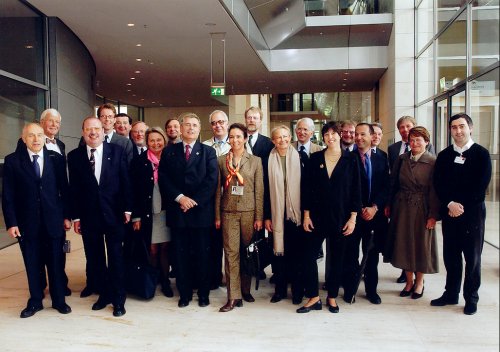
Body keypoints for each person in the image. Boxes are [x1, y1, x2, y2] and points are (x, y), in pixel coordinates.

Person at [2, 123, 72, 318]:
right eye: (31, 135)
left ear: (44, 137)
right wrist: (12, 223)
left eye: (39, 135)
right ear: (24, 138)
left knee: (56, 263)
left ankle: (59, 300)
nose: (36, 139)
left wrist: (67, 216)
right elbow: (8, 195)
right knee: (32, 263)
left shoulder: (56, 159)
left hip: (54, 221)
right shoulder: (12, 161)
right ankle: (35, 301)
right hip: (27, 223)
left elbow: (64, 190)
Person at [68, 117, 132, 317]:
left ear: (103, 131)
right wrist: (76, 217)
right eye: (89, 129)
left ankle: (118, 299)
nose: (93, 132)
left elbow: (125, 182)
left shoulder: (117, 151)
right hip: (89, 217)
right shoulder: (74, 156)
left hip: (114, 215)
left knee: (116, 258)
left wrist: (128, 209)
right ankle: (104, 295)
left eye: (96, 128)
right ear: (83, 132)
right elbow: (74, 189)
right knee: (95, 259)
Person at [432, 113, 492, 315]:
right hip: (450, 213)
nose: (458, 131)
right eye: (454, 127)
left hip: (472, 215)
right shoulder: (444, 155)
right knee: (451, 256)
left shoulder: (482, 154)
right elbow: (438, 183)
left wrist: (460, 206)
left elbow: (481, 185)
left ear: (470, 128)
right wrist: (450, 204)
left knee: (472, 259)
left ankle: (471, 298)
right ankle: (450, 294)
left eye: (462, 126)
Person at [298, 121, 361, 314]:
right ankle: (313, 297)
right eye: (327, 134)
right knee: (308, 256)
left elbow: (356, 190)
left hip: (341, 218)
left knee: (337, 259)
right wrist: (306, 215)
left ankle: (332, 296)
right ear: (323, 137)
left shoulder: (351, 159)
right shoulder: (315, 157)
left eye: (334, 134)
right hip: (316, 217)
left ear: (340, 135)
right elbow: (306, 189)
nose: (331, 137)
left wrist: (353, 218)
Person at [158, 112, 218, 308]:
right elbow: (164, 179)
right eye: (187, 125)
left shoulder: (208, 152)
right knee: (180, 255)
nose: (190, 128)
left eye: (194, 125)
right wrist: (180, 198)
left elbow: (211, 181)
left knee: (202, 255)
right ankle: (184, 294)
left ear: (199, 129)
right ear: (181, 128)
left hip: (201, 213)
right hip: (178, 211)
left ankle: (203, 293)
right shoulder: (169, 151)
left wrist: (193, 201)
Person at [385, 126, 440, 300]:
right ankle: (408, 281)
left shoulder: (432, 161)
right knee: (404, 244)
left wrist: (433, 215)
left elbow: (435, 191)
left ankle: (419, 283)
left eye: (419, 140)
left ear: (426, 142)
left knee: (421, 246)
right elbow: (393, 184)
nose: (414, 143)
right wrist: (389, 204)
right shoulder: (402, 159)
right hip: (402, 206)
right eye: (412, 139)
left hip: (423, 207)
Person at [215, 123, 264, 312]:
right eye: (232, 136)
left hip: (249, 213)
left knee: (247, 253)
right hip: (228, 213)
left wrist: (259, 216)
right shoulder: (221, 161)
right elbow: (217, 191)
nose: (234, 140)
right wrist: (217, 215)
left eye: (238, 136)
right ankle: (233, 297)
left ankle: (245, 289)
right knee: (231, 254)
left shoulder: (255, 161)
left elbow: (259, 191)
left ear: (245, 138)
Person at [343, 123, 389, 305]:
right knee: (351, 255)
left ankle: (372, 291)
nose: (359, 138)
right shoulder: (347, 158)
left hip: (375, 216)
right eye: (357, 134)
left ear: (372, 136)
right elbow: (347, 189)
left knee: (371, 255)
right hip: (354, 216)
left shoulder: (382, 158)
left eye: (363, 134)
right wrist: (359, 208)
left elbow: (386, 185)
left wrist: (375, 207)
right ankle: (350, 290)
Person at [131, 127, 173, 297]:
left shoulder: (171, 158)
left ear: (164, 140)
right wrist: (136, 216)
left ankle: (165, 281)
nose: (156, 143)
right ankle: (153, 278)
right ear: (147, 143)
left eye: (159, 139)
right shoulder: (139, 161)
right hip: (147, 212)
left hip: (167, 212)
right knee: (152, 249)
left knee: (165, 248)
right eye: (152, 140)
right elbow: (133, 190)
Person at [264, 125, 304, 304]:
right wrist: (266, 216)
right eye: (278, 137)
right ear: (273, 140)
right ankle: (279, 290)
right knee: (278, 255)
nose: (283, 140)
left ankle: (297, 291)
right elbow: (264, 190)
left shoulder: (300, 156)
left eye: (286, 136)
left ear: (290, 137)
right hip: (275, 214)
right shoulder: (268, 159)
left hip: (296, 215)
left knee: (296, 254)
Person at [38, 109, 71, 296]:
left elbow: (63, 182)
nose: (54, 125)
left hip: (57, 207)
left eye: (57, 122)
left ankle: (59, 284)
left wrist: (67, 213)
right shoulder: (30, 142)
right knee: (40, 250)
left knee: (58, 250)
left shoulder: (61, 144)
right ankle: (40, 285)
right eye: (50, 121)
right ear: (42, 122)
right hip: (38, 208)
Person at [245, 106, 274, 281]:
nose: (252, 120)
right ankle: (249, 266)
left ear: (260, 121)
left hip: (263, 193)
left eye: (255, 118)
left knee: (263, 233)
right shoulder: (239, 140)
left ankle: (260, 264)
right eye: (249, 117)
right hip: (243, 195)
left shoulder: (268, 143)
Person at [203, 110, 230, 290]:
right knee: (212, 243)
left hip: (231, 202)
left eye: (221, 122)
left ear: (227, 123)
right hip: (210, 202)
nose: (217, 125)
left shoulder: (237, 142)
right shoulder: (204, 146)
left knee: (230, 244)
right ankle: (214, 277)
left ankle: (232, 280)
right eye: (214, 123)